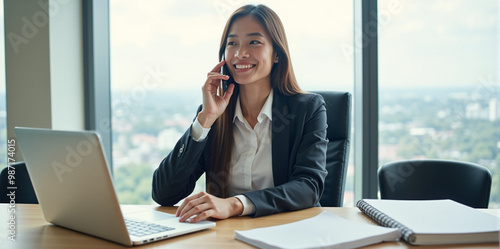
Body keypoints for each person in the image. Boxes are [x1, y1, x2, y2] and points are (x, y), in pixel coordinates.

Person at [152, 4, 327, 223]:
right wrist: (205, 119)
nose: (240, 53)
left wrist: (235, 204)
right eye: (232, 43)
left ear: (276, 54)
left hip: (290, 230)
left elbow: (308, 187)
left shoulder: (307, 108)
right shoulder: (215, 116)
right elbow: (164, 193)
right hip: (227, 237)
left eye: (254, 42)